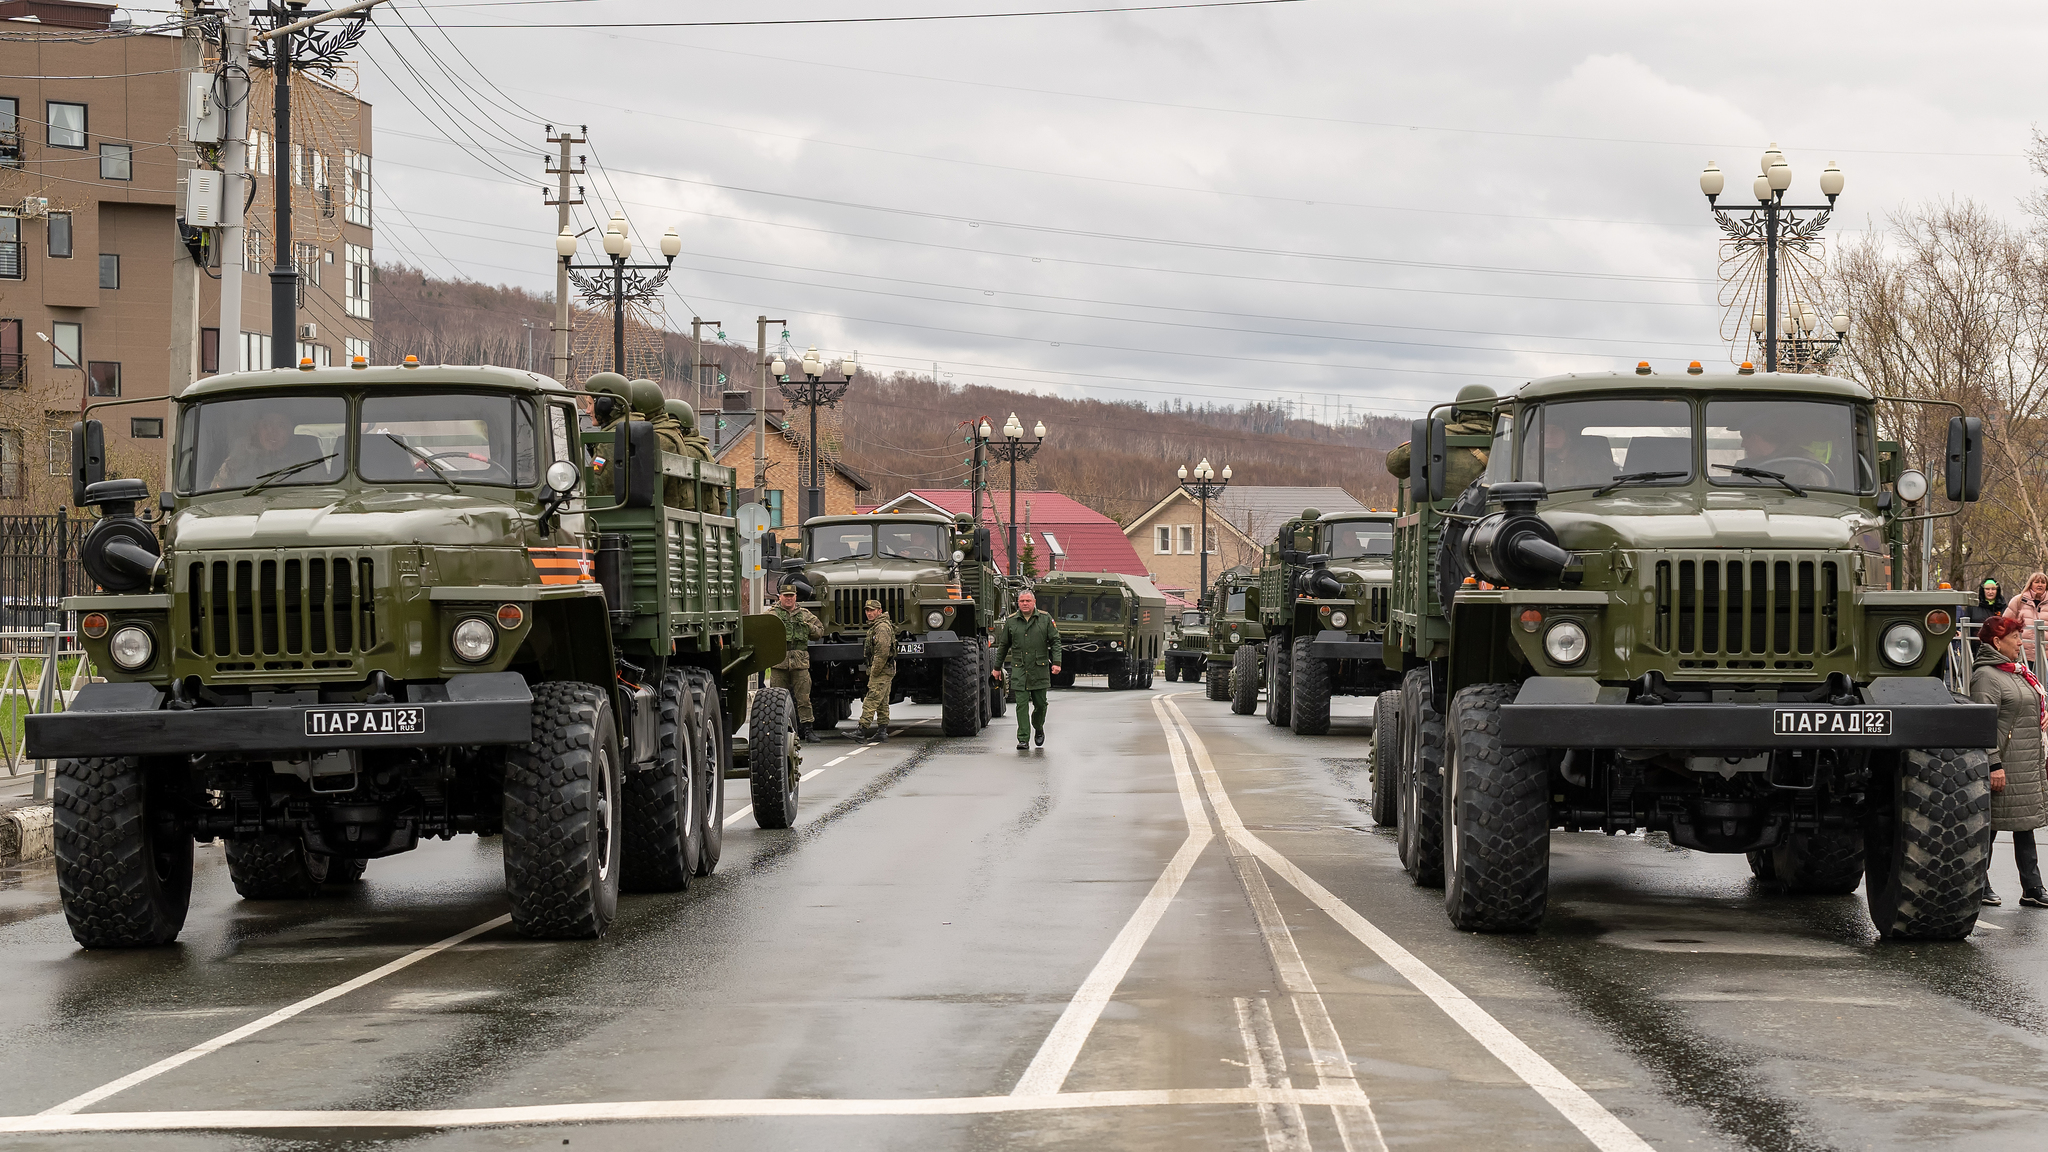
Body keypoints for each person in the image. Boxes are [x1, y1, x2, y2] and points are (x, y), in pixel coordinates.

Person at [1971, 614, 2048, 908]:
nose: (2020, 642)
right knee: (1989, 827)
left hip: (2024, 762)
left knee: (2024, 823)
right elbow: (1983, 725)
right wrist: (1993, 765)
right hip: (2003, 764)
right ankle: (1978, 882)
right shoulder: (1986, 677)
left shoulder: (2015, 671)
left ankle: (2032, 887)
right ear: (1996, 642)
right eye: (2015, 637)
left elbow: (2025, 705)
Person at [1384, 383, 1497, 495]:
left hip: (1435, 513)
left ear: (1455, 412)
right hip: (1494, 513)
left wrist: (1419, 443)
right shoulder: (1505, 437)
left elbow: (1394, 465)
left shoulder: (1435, 435)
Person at [995, 589, 1062, 751]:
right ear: (1018, 603)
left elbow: (1055, 641)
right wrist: (997, 668)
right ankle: (1023, 738)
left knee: (1041, 704)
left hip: (1039, 669)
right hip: (1020, 669)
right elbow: (1003, 645)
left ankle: (1038, 726)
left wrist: (1057, 662)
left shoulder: (1045, 619)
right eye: (1022, 601)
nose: (1025, 604)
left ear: (1034, 602)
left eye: (1028, 601)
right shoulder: (1011, 621)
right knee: (1021, 704)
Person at [768, 579, 825, 742]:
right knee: (777, 699)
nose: (788, 599)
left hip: (800, 664)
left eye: (791, 596)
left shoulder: (805, 614)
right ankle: (778, 730)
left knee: (804, 699)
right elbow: (762, 632)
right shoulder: (772, 615)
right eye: (785, 596)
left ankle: (808, 730)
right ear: (779, 597)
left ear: (795, 597)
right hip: (779, 663)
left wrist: (808, 627)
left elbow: (819, 631)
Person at [210, 410, 320, 489]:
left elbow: (317, 497)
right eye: (266, 425)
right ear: (257, 429)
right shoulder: (237, 463)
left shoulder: (306, 464)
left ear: (290, 431)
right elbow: (216, 498)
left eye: (281, 425)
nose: (272, 432)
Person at [853, 600, 896, 744]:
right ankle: (882, 731)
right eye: (867, 610)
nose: (869, 613)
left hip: (882, 669)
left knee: (871, 698)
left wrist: (874, 671)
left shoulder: (882, 628)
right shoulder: (878, 626)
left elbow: (882, 653)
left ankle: (861, 730)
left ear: (879, 611)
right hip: (885, 669)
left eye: (872, 610)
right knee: (882, 701)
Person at [2003, 571, 2048, 665]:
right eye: (2036, 582)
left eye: (2043, 582)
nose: (2040, 585)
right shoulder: (2018, 600)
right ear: (2030, 584)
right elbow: (2005, 623)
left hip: (2046, 653)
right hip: (2023, 653)